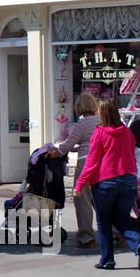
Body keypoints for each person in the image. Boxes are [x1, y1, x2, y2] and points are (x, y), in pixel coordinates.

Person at [75, 97, 140, 270]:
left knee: (104, 222)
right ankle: (139, 245)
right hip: (128, 181)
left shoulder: (100, 133)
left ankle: (107, 260)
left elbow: (92, 162)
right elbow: (132, 157)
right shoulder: (127, 132)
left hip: (106, 182)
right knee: (122, 219)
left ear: (102, 113)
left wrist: (80, 185)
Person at [57, 93, 101, 249]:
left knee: (82, 200)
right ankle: (116, 232)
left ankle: (86, 237)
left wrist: (56, 151)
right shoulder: (101, 121)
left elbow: (68, 144)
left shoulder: (82, 124)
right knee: (102, 200)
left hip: (85, 162)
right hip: (103, 163)